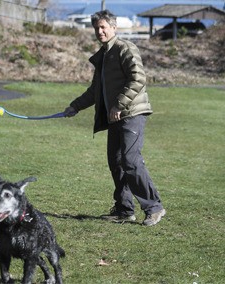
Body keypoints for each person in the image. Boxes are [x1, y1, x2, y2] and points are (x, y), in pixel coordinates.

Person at [64, 10, 165, 226]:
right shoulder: (103, 55)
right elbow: (95, 91)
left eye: (103, 27)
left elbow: (138, 78)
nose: (99, 31)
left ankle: (154, 207)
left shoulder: (125, 48)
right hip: (116, 116)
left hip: (132, 113)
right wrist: (75, 106)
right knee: (116, 163)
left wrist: (119, 103)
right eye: (96, 28)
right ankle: (124, 209)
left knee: (130, 160)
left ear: (114, 27)